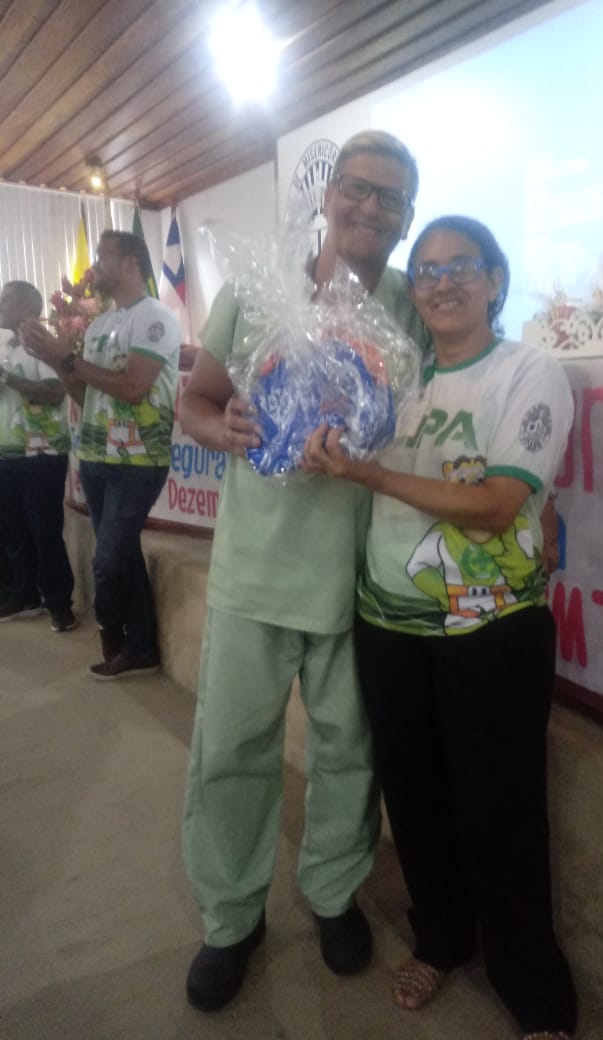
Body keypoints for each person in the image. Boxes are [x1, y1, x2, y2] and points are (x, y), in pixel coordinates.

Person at [302, 215, 578, 1039]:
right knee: (415, 800)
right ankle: (441, 939)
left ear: (496, 281)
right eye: (426, 270)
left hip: (491, 633)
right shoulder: (395, 378)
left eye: (462, 266)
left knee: (502, 812)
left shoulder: (529, 372)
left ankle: (536, 993)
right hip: (388, 624)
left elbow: (498, 506)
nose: (442, 281)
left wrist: (369, 473)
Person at [179, 130, 429, 1013]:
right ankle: (230, 918)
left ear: (406, 219)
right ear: (327, 195)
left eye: (390, 198)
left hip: (362, 579)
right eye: (356, 188)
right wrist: (222, 428)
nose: (369, 207)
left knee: (349, 752)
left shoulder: (410, 308)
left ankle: (332, 891)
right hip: (255, 571)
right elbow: (195, 399)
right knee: (231, 750)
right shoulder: (255, 288)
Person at [20, 231, 181, 678]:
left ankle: (112, 633)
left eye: (103, 256)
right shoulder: (98, 326)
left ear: (130, 262)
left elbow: (133, 388)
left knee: (107, 559)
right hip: (95, 455)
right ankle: (142, 648)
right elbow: (82, 394)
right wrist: (56, 360)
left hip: (138, 460)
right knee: (122, 552)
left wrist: (68, 359)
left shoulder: (156, 318)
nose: (94, 265)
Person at [0, 281, 75, 631]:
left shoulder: (44, 345)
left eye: (5, 300)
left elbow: (55, 392)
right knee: (13, 530)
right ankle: (26, 595)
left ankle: (60, 604)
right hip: (7, 452)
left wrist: (8, 379)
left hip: (41, 453)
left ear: (27, 306)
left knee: (44, 531)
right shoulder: (5, 346)